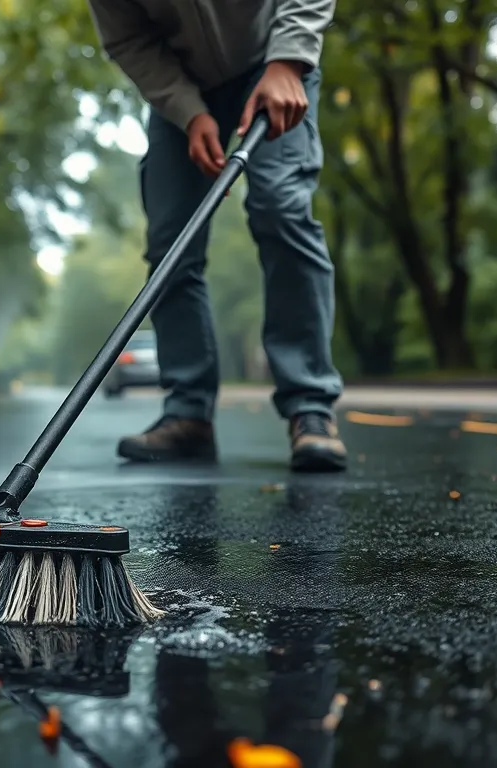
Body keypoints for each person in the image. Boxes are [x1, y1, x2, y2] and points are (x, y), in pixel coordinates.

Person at [87, 0, 347, 472]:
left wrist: (288, 59)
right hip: (182, 86)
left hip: (273, 59)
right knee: (172, 243)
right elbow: (128, 38)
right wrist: (187, 111)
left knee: (281, 207)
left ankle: (311, 407)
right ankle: (188, 415)